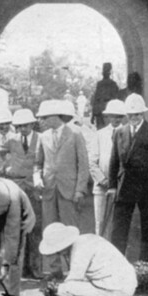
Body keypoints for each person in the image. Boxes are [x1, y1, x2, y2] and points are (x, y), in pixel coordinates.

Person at [107, 93, 148, 262]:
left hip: (147, 185)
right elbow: (114, 161)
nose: (134, 117)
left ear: (143, 114)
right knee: (119, 228)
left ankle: (145, 263)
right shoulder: (120, 132)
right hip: (125, 185)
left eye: (137, 114)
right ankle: (117, 261)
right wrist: (112, 186)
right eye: (130, 115)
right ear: (126, 115)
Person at [33, 99, 90, 281]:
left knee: (71, 229)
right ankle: (53, 269)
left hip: (69, 189)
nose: (41, 121)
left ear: (55, 116)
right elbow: (37, 163)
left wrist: (80, 190)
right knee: (49, 229)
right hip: (49, 189)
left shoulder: (75, 134)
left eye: (44, 117)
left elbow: (83, 164)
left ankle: (75, 268)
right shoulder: (43, 137)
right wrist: (37, 178)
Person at [39, 222, 137, 296]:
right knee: (67, 295)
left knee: (64, 291)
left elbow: (72, 282)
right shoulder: (85, 240)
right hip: (123, 285)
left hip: (118, 290)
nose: (58, 253)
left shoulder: (79, 250)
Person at [2, 108, 43, 278]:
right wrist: (6, 168)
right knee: (14, 226)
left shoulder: (41, 139)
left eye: (26, 125)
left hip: (34, 189)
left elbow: (43, 162)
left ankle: (34, 267)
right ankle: (15, 267)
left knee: (35, 227)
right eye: (19, 126)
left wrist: (39, 177)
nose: (23, 129)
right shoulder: (11, 140)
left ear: (32, 124)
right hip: (16, 187)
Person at [89, 99, 125, 237]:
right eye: (113, 116)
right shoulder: (100, 134)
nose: (116, 119)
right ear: (108, 116)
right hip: (101, 186)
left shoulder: (127, 133)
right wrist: (103, 180)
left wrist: (118, 183)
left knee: (117, 220)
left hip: (120, 185)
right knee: (100, 220)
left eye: (119, 116)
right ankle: (100, 248)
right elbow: (92, 162)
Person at [90, 62, 121, 129]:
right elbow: (96, 100)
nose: (105, 72)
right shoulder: (100, 84)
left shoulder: (113, 84)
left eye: (107, 71)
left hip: (109, 112)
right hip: (100, 113)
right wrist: (93, 115)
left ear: (109, 72)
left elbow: (116, 99)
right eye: (104, 70)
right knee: (101, 132)